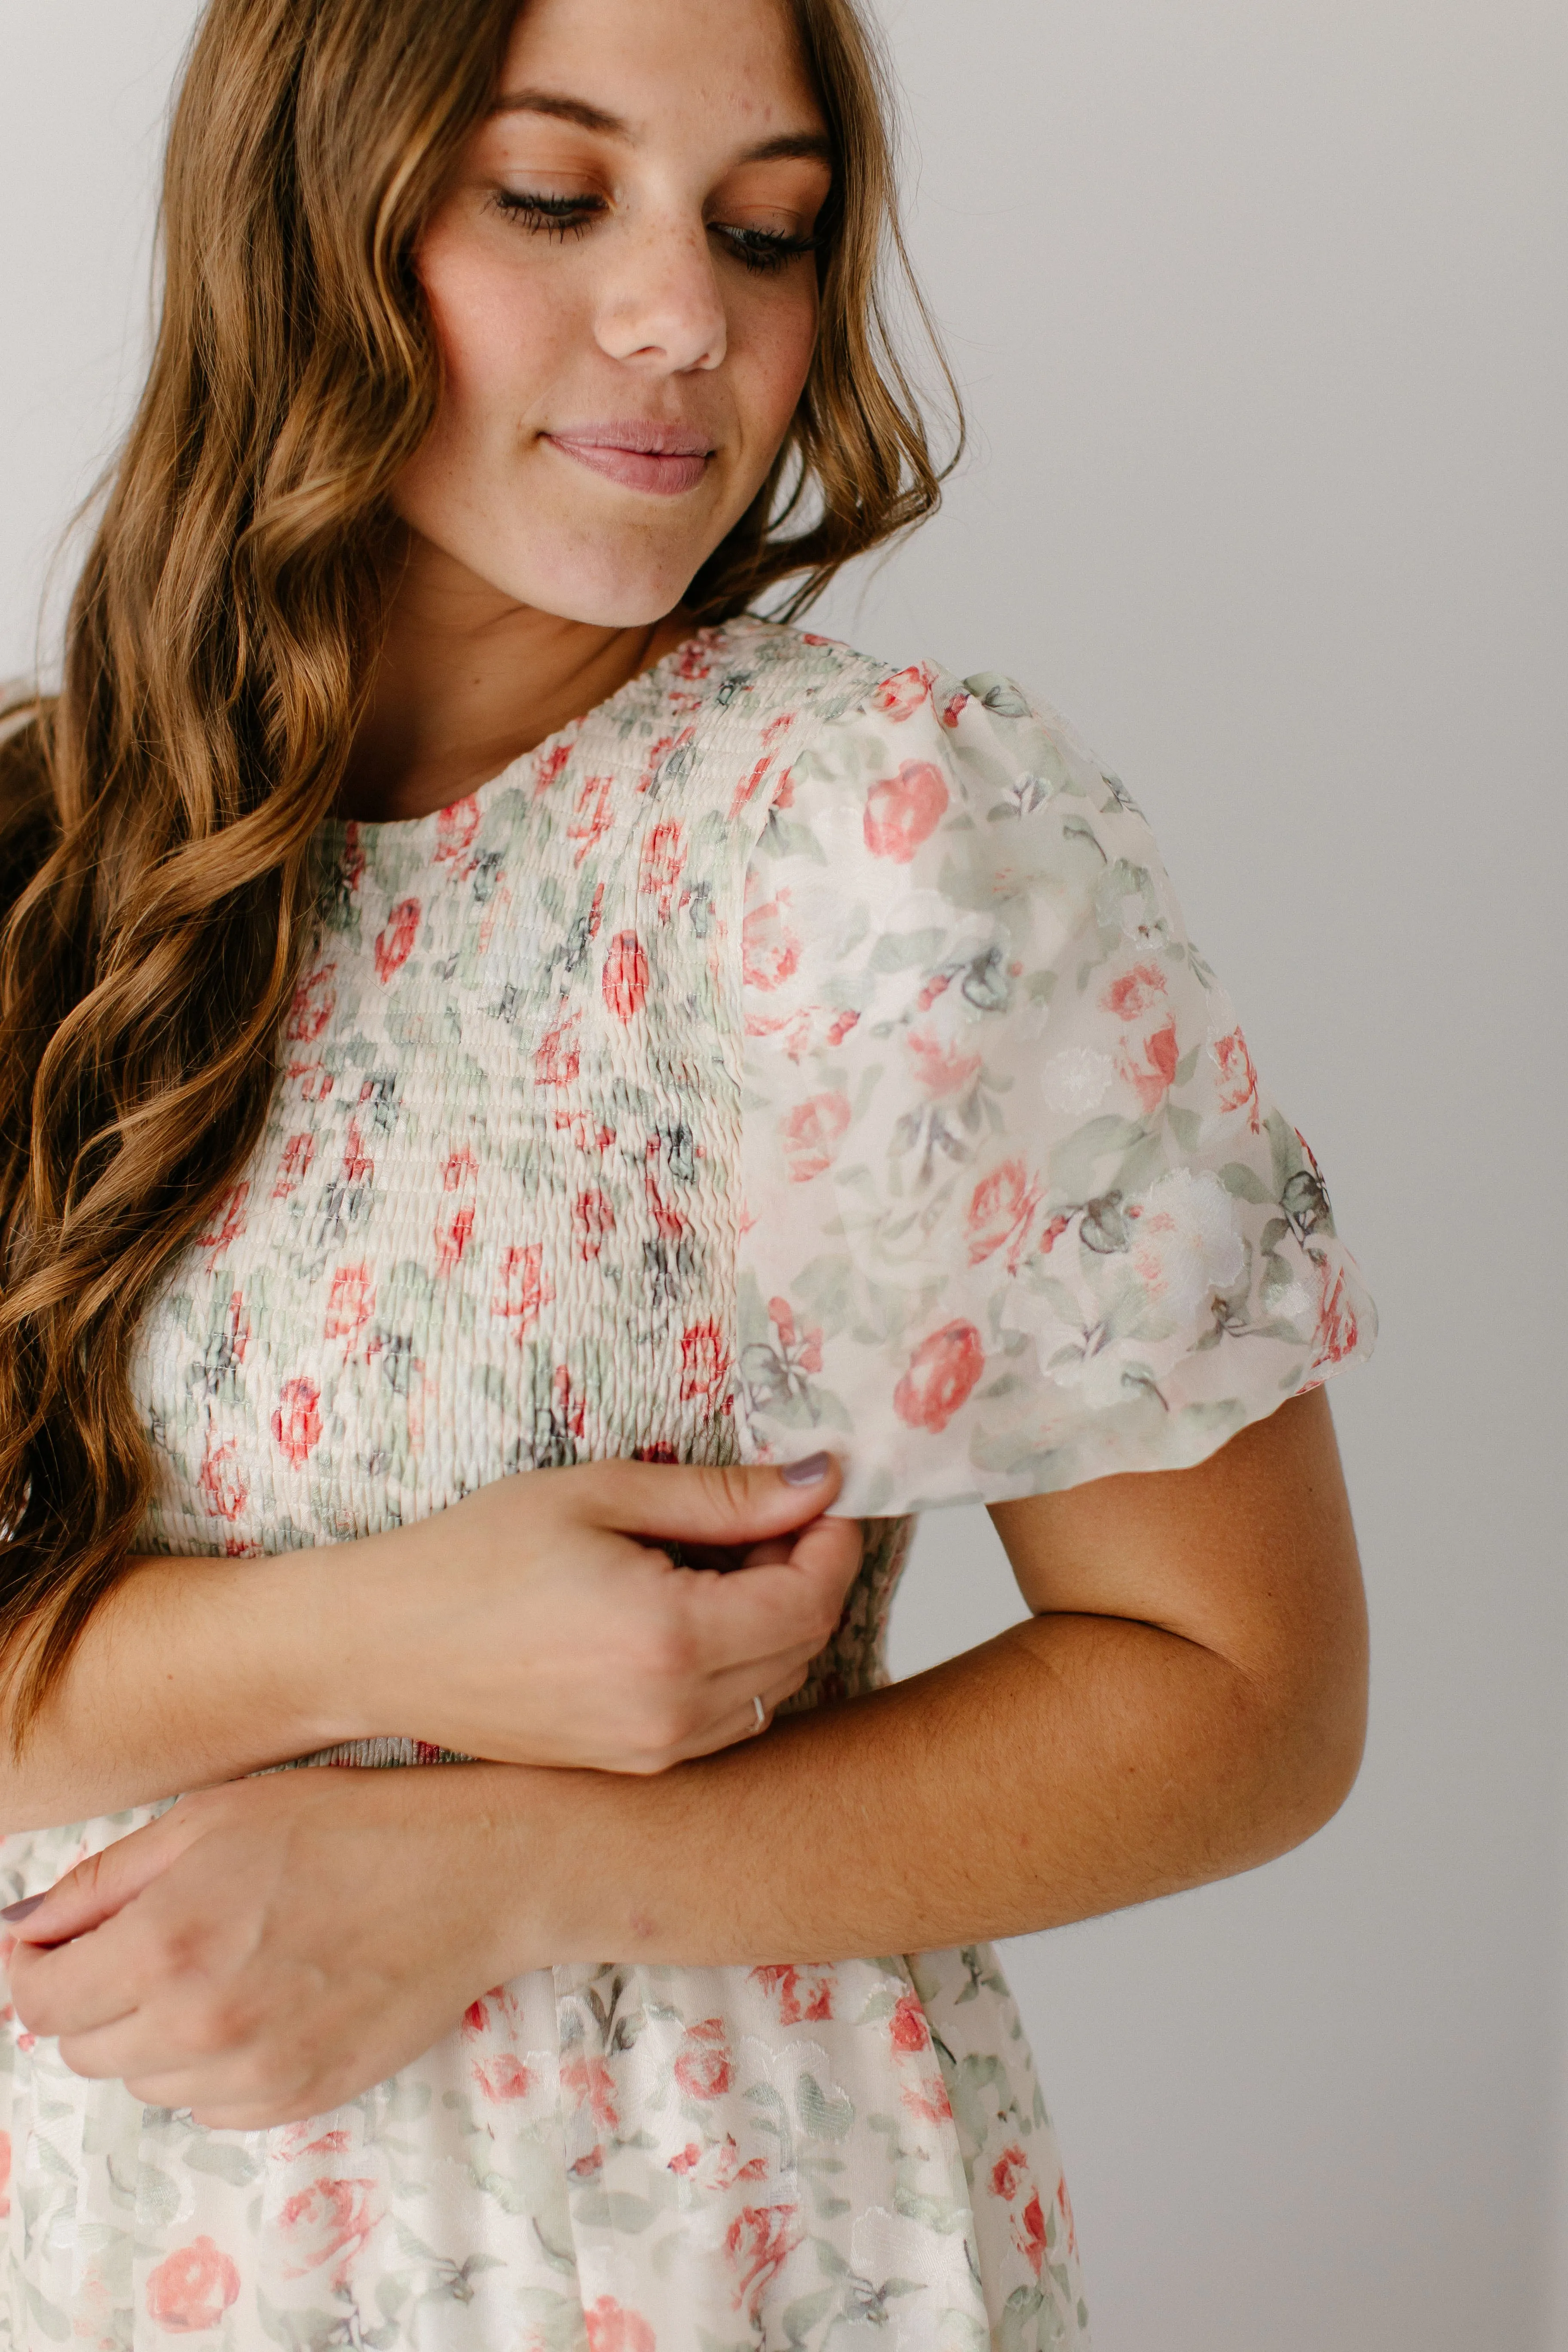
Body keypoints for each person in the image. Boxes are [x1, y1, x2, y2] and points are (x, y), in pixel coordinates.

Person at [0, 0, 1375, 2342]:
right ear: (298, 218)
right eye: (556, 197)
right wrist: (396, 1632)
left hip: (701, 2252)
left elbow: (1244, 1693)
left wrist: (492, 1874)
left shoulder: (877, 847)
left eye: (771, 230)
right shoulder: (45, 865)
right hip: (123, 2258)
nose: (686, 320)